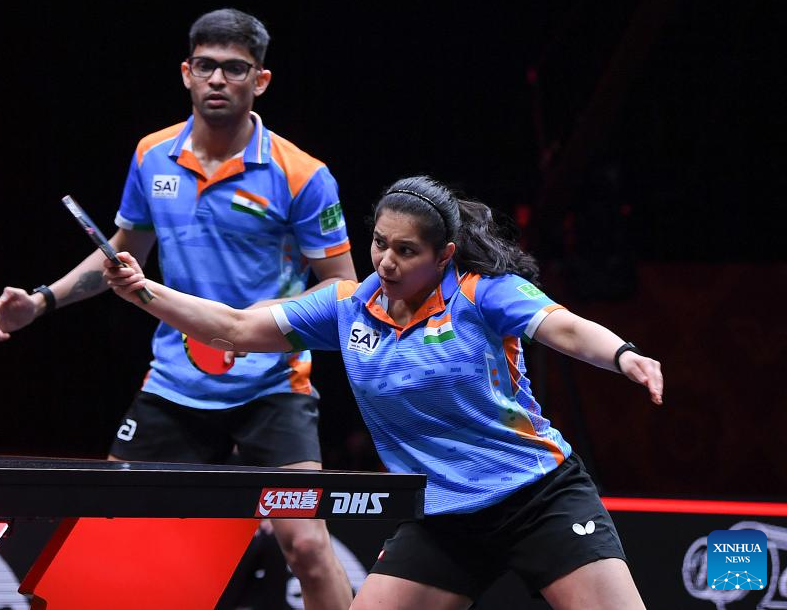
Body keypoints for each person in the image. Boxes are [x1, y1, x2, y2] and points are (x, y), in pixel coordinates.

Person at [102, 174, 664, 610]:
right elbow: (235, 328)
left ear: (444, 255)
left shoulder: (484, 294)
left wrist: (624, 355)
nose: (387, 262)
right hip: (441, 517)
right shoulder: (347, 306)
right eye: (379, 243)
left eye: (406, 251)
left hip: (536, 498)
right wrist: (144, 291)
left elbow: (565, 328)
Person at [0, 9, 357, 609]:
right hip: (174, 385)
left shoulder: (303, 175)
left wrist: (263, 325)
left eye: (234, 68)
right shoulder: (152, 156)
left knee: (309, 548)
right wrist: (42, 300)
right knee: (100, 528)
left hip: (272, 388)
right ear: (186, 73)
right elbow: (123, 250)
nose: (218, 79)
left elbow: (342, 286)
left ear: (260, 80)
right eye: (205, 66)